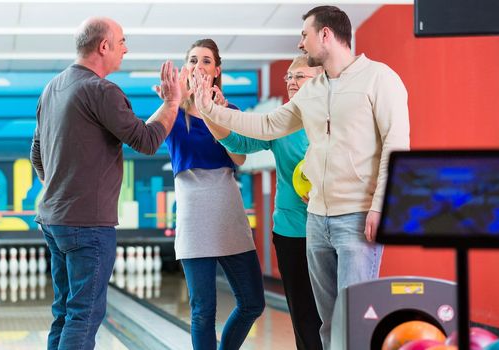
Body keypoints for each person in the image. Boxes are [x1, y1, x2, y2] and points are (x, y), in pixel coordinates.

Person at [192, 6, 410, 349]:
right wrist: (208, 109)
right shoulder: (312, 90)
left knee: (353, 324)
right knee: (326, 326)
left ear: (326, 35)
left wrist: (382, 206)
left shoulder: (380, 79)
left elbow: (397, 147)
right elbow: (266, 126)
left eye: (304, 35)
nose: (300, 44)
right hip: (317, 220)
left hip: (356, 216)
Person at [30, 17, 181, 350]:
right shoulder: (101, 90)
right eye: (122, 41)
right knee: (83, 315)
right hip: (88, 225)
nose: (126, 49)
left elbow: (37, 156)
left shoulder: (53, 88)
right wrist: (172, 103)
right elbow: (146, 141)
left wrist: (60, 189)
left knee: (64, 312)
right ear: (104, 46)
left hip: (54, 220)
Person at [203, 55, 323, 350]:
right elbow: (239, 143)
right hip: (291, 231)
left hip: (330, 227)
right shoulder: (282, 121)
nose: (292, 82)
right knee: (304, 317)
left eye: (300, 76)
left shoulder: (337, 117)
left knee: (332, 314)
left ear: (321, 77)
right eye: (289, 77)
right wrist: (209, 113)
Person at [164, 38, 265, 350]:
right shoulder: (172, 112)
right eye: (193, 60)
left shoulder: (229, 110)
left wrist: (217, 114)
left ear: (217, 70)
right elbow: (149, 130)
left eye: (206, 60)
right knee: (202, 311)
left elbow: (239, 159)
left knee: (252, 302)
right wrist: (173, 97)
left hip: (228, 213)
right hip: (194, 217)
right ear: (185, 68)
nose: (199, 65)